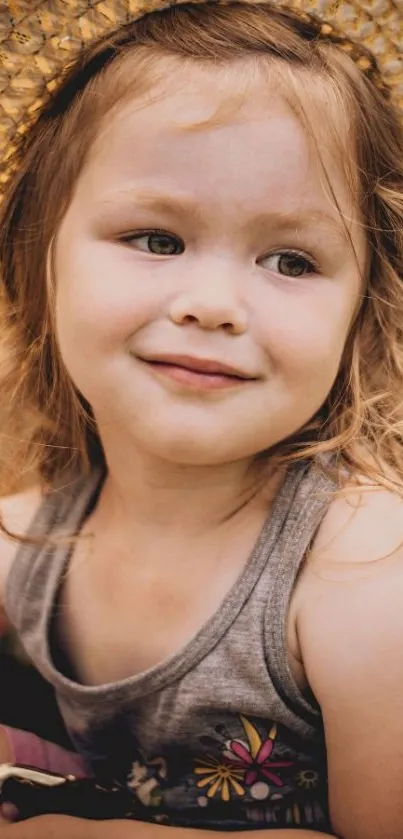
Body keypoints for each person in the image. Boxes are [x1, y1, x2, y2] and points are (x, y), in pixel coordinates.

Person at [0, 0, 402, 836]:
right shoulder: (36, 538)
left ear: (361, 310)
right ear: (39, 255)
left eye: (290, 260)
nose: (214, 306)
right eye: (155, 238)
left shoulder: (365, 577)